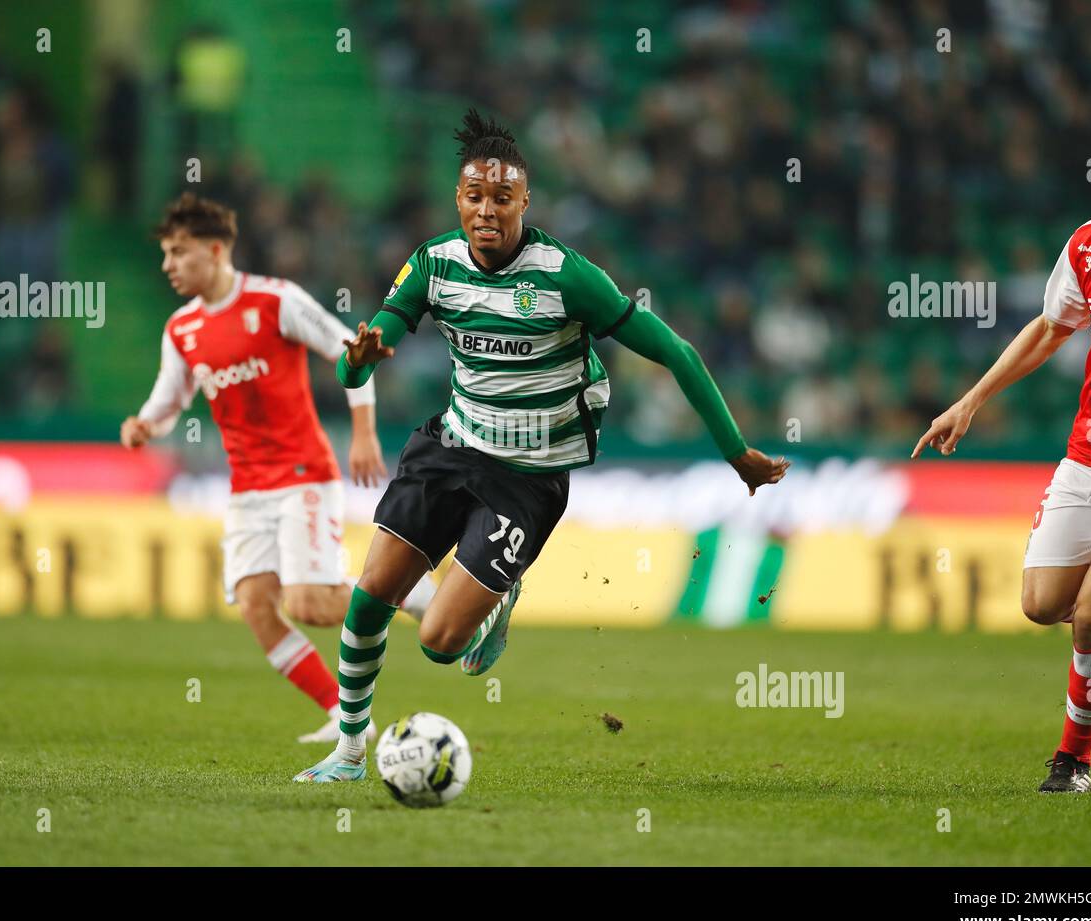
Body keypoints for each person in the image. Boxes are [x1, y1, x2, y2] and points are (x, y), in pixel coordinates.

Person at [296, 109, 788, 783]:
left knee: (440, 644)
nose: (487, 210)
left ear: (525, 202)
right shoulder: (433, 265)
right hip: (453, 445)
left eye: (502, 197)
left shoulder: (565, 276)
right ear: (458, 199)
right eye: (475, 196)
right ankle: (350, 753)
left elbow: (675, 351)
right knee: (370, 594)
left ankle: (496, 601)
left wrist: (736, 453)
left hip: (527, 477)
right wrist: (356, 362)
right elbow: (355, 364)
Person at [121, 193, 436, 743]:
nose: (168, 264)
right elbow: (169, 399)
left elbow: (354, 350)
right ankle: (344, 715)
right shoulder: (181, 329)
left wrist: (363, 431)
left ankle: (420, 595)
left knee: (310, 603)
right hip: (247, 487)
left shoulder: (275, 300)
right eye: (166, 254)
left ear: (215, 250)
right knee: (256, 606)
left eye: (178, 252)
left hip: (302, 475)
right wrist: (146, 424)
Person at [914, 103, 1091, 793]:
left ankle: (1072, 762)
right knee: (1043, 604)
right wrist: (971, 401)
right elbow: (1049, 329)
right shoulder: (1087, 243)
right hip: (1088, 452)